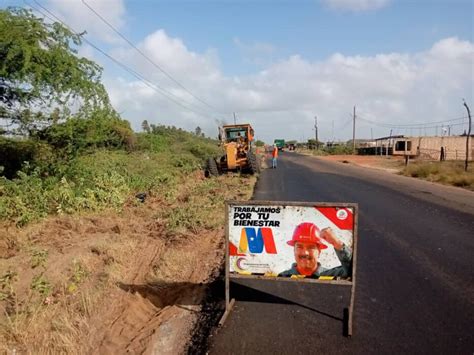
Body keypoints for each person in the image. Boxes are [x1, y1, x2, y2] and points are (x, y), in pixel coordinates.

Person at [278, 222, 352, 279]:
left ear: (319, 252)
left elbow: (356, 272)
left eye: (310, 247)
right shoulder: (282, 277)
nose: (305, 253)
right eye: (299, 247)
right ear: (294, 250)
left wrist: (336, 243)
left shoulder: (331, 276)